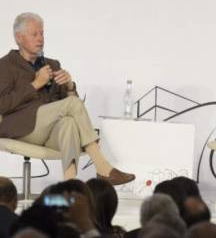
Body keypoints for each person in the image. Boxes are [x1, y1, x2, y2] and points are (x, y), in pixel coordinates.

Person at [0, 12, 135, 184]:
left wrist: (70, 86)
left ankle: (70, 185)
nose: (40, 38)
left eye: (42, 33)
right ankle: (103, 167)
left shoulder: (52, 64)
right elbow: (1, 104)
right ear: (19, 38)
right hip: (22, 129)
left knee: (69, 123)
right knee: (71, 106)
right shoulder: (5, 65)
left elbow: (71, 105)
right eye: (34, 34)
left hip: (49, 131)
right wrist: (35, 84)